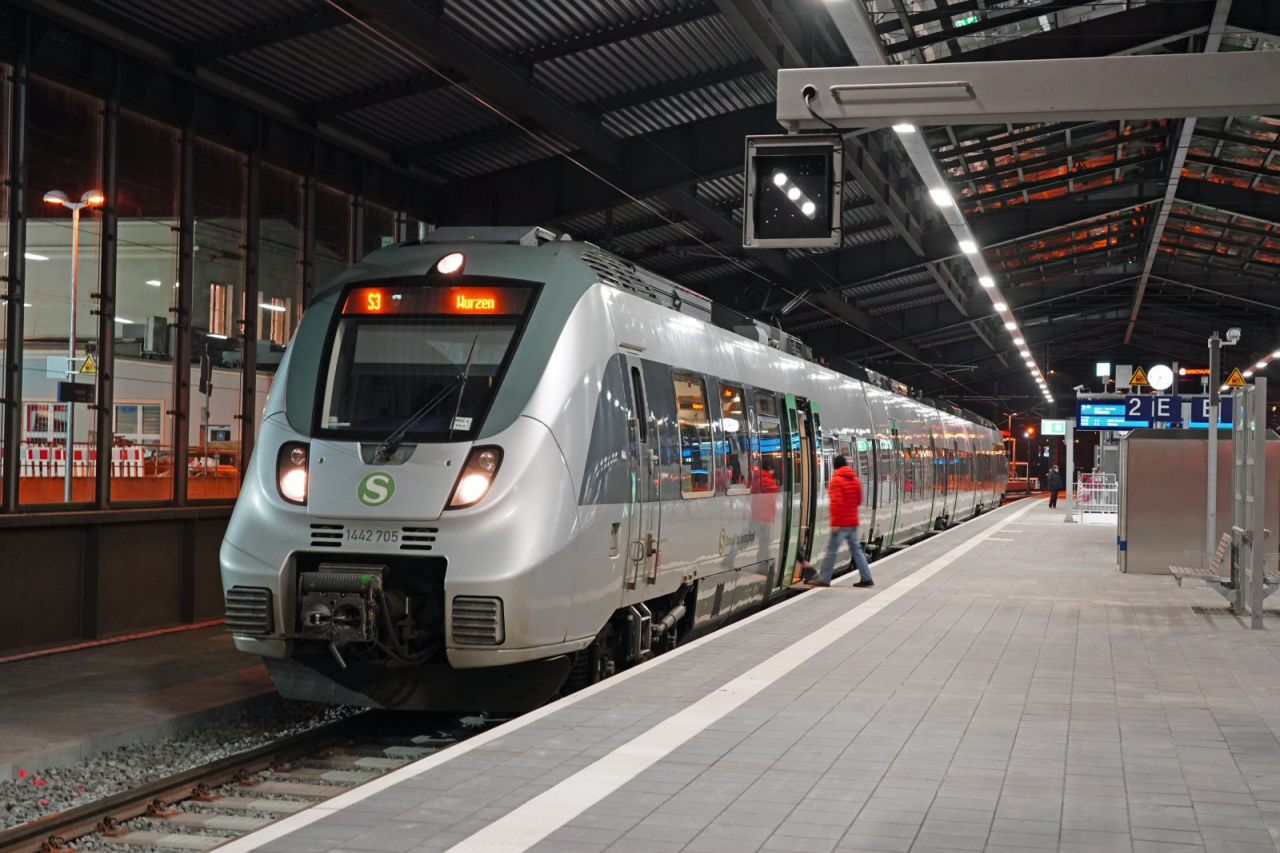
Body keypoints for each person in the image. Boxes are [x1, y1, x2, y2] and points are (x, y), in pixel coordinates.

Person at [805, 455, 873, 588]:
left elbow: (836, 504)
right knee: (857, 551)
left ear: (835, 466)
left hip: (841, 522)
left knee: (831, 551)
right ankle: (867, 577)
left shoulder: (836, 481)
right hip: (852, 521)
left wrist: (835, 523)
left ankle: (824, 578)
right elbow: (859, 500)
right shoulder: (856, 480)